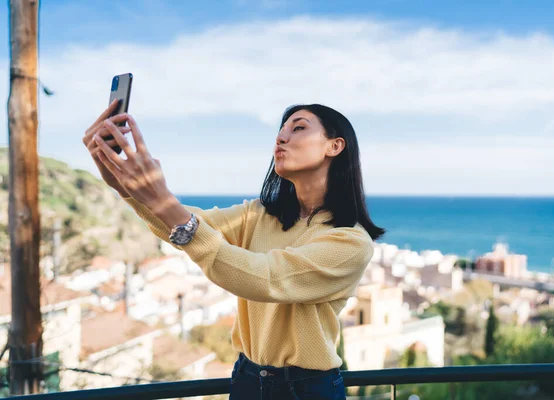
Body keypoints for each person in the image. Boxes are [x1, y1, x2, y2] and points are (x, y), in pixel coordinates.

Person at [83, 100, 384, 400]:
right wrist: (121, 183)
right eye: (281, 129)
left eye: (299, 128)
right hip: (246, 379)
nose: (281, 137)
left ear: (335, 146)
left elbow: (265, 279)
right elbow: (182, 225)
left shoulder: (350, 242)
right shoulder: (259, 215)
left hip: (305, 389)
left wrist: (162, 199)